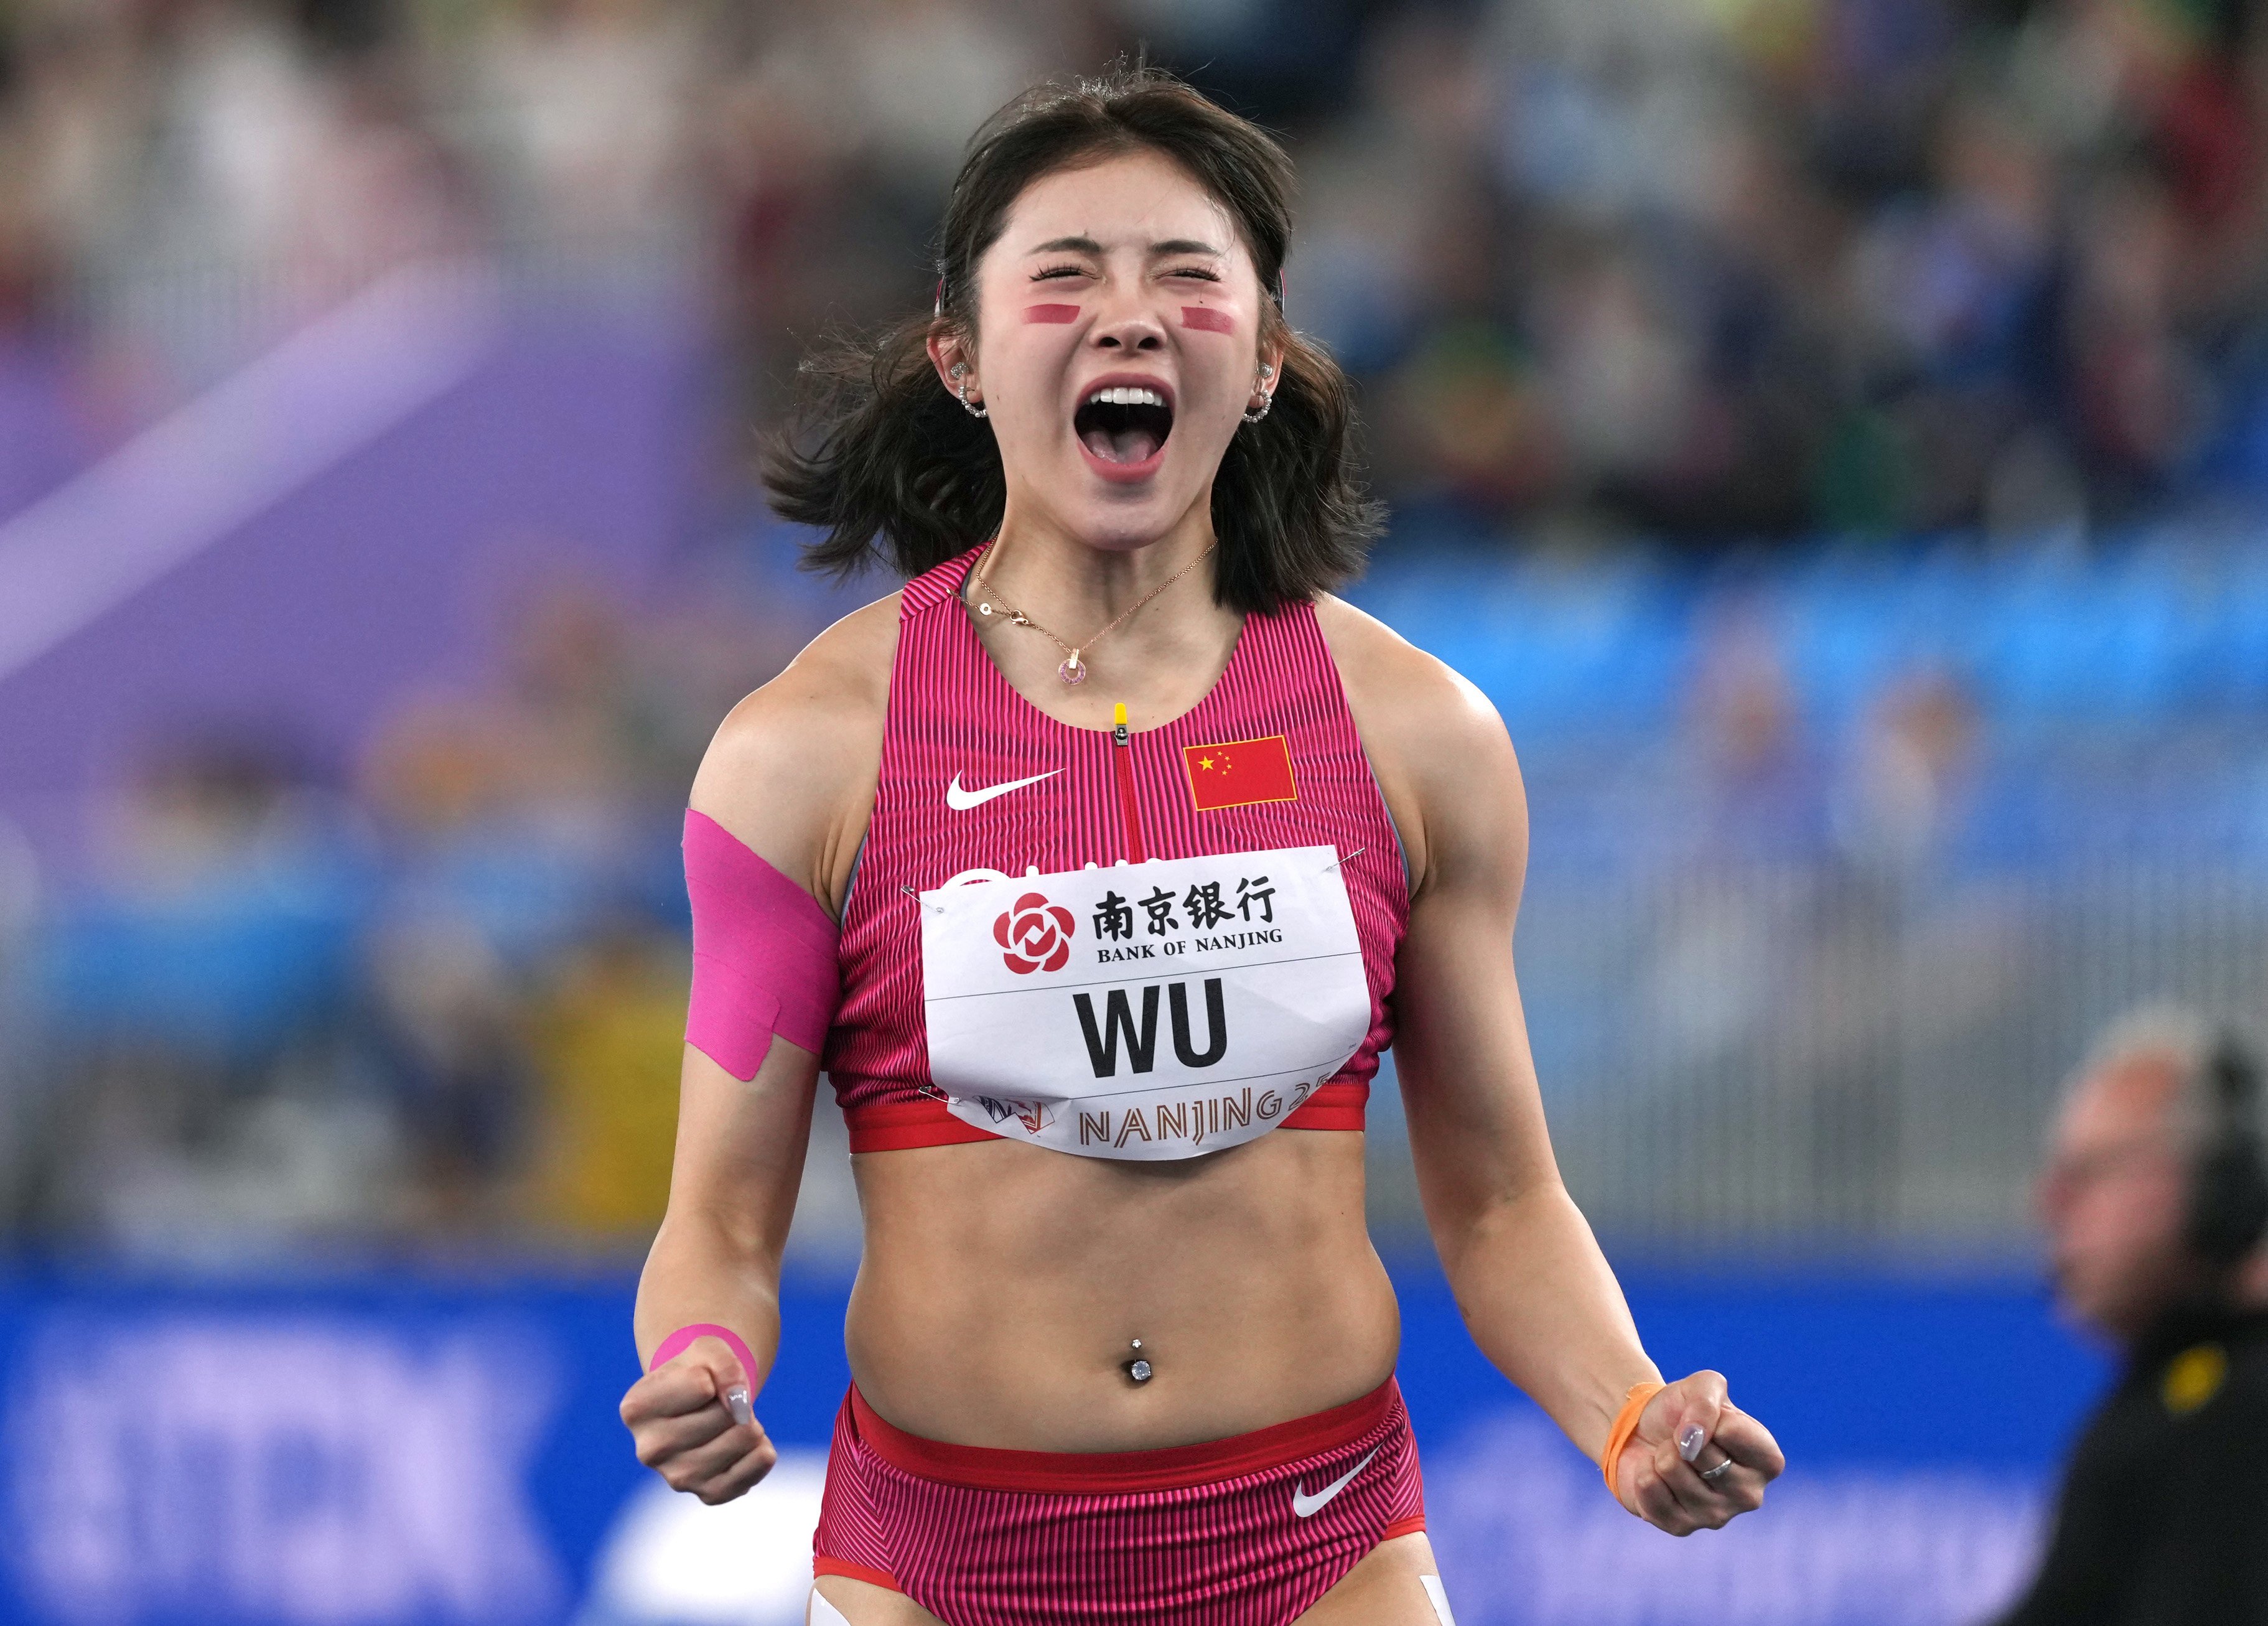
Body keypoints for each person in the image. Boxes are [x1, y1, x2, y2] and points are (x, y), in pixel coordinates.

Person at [617, 67, 1783, 1626]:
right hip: (942, 1573)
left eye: (1185, 276)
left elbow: (1500, 1203)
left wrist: (1627, 1414)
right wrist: (702, 1360)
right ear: (959, 360)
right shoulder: (798, 757)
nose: (1130, 315)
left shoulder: (1416, 735)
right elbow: (721, 1220)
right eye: (1065, 275)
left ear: (1262, 360)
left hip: (1320, 1558)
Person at [1996, 1008, 2268, 1624]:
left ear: (2212, 1187)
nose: (2052, 1206)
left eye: (2090, 1172)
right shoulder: (2161, 1406)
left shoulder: (2239, 1419)